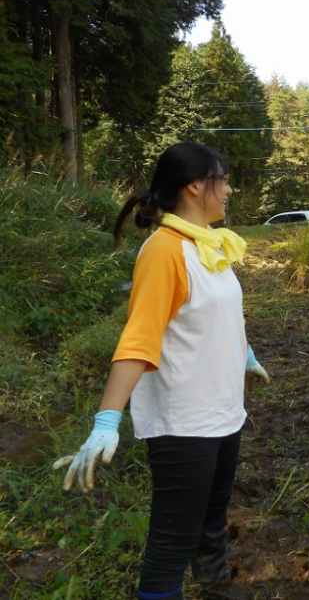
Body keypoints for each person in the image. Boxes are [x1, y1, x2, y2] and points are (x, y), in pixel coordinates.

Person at [53, 142, 269, 600]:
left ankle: (214, 580)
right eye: (223, 179)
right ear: (195, 185)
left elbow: (223, 313)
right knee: (173, 541)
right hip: (185, 421)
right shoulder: (165, 251)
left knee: (214, 510)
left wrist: (245, 354)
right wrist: (107, 418)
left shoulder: (209, 244)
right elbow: (140, 337)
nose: (229, 189)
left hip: (224, 411)